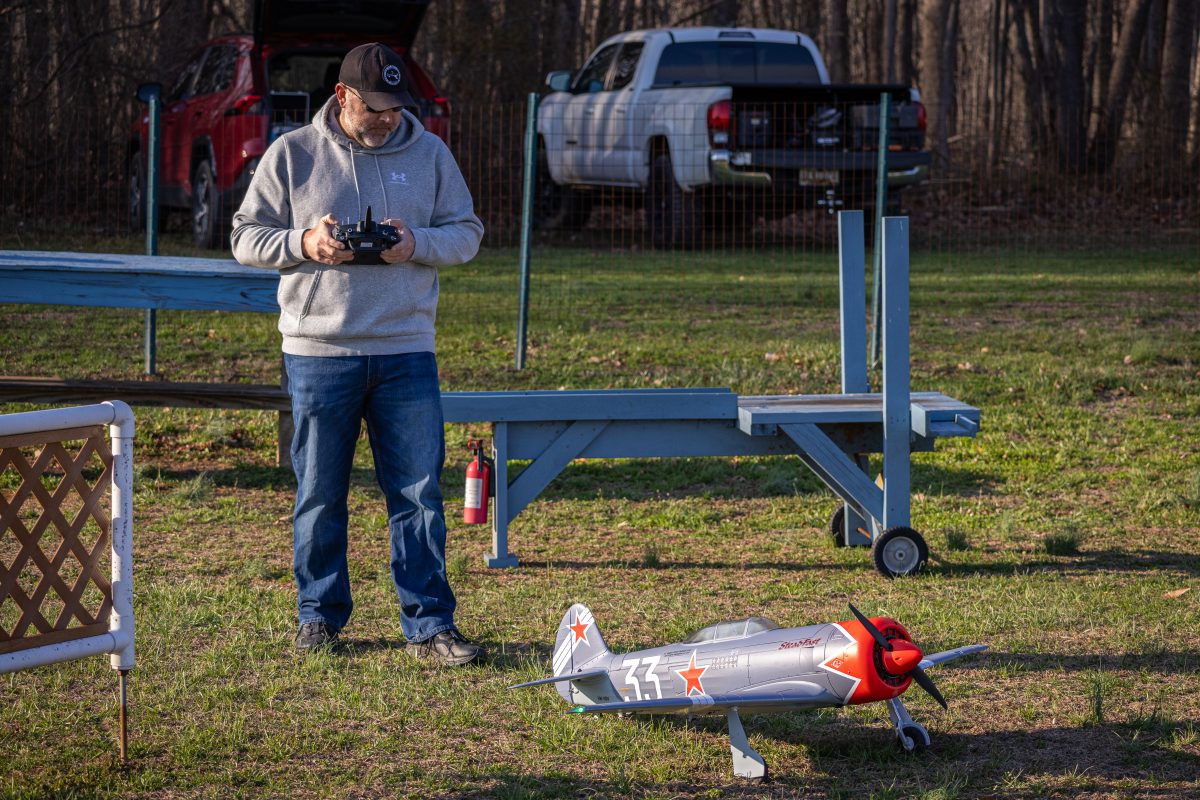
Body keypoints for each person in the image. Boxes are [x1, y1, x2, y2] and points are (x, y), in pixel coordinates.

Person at [231, 42, 485, 666]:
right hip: (320, 351)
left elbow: (468, 232)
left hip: (407, 349)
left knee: (420, 496)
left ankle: (431, 625)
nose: (387, 118)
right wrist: (305, 242)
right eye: (374, 107)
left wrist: (415, 243)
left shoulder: (430, 153)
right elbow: (244, 236)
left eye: (395, 107)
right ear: (342, 96)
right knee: (320, 493)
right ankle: (318, 615)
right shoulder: (292, 153)